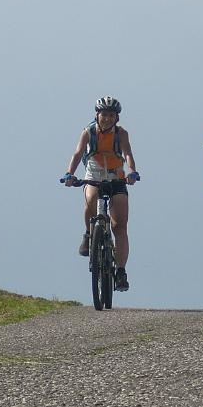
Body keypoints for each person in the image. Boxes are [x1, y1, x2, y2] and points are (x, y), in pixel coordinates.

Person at [64, 96, 139, 292]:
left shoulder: (121, 134)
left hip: (116, 177)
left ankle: (121, 271)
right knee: (90, 198)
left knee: (120, 226)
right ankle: (89, 234)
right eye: (104, 114)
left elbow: (128, 154)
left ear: (117, 118)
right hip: (94, 175)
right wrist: (70, 174)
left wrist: (132, 172)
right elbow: (78, 153)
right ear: (97, 115)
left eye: (111, 115)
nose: (107, 118)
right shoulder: (88, 132)